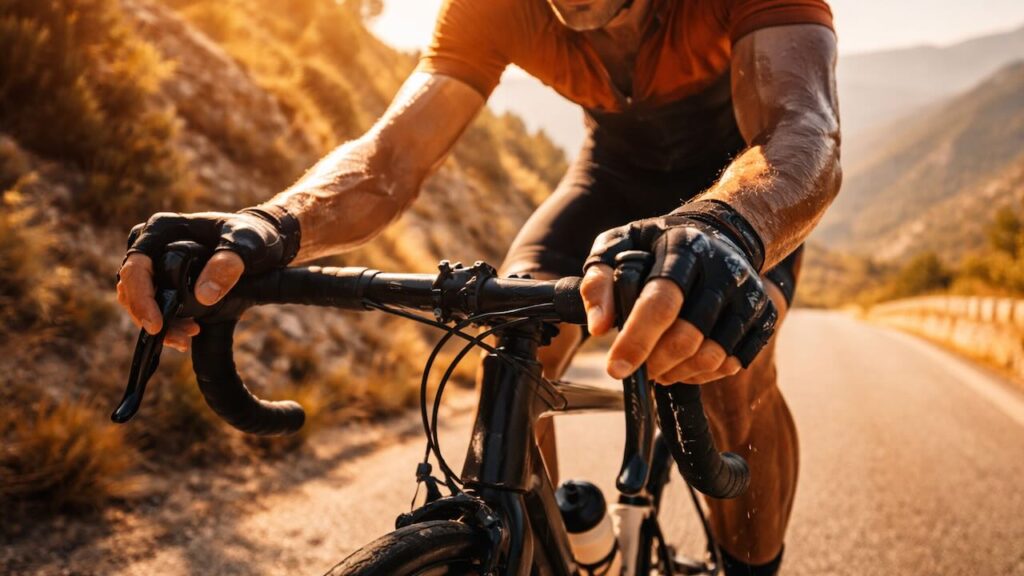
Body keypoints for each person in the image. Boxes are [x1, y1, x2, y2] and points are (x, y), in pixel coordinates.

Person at [116, 0, 841, 573]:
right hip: (609, 177)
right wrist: (270, 226)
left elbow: (801, 130)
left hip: (741, 188)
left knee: (728, 384)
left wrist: (730, 226)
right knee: (513, 350)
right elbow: (390, 158)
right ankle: (535, 551)